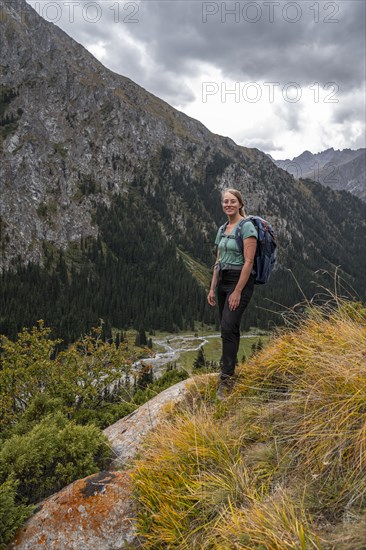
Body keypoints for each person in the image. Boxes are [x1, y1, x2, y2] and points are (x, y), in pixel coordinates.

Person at [207, 188, 257, 399]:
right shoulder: (222, 228)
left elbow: (249, 261)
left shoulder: (247, 227)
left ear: (239, 204)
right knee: (228, 328)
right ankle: (230, 372)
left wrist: (237, 291)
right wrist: (212, 287)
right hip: (223, 282)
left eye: (232, 201)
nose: (228, 204)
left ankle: (226, 380)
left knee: (228, 326)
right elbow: (218, 261)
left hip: (240, 281)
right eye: (225, 201)